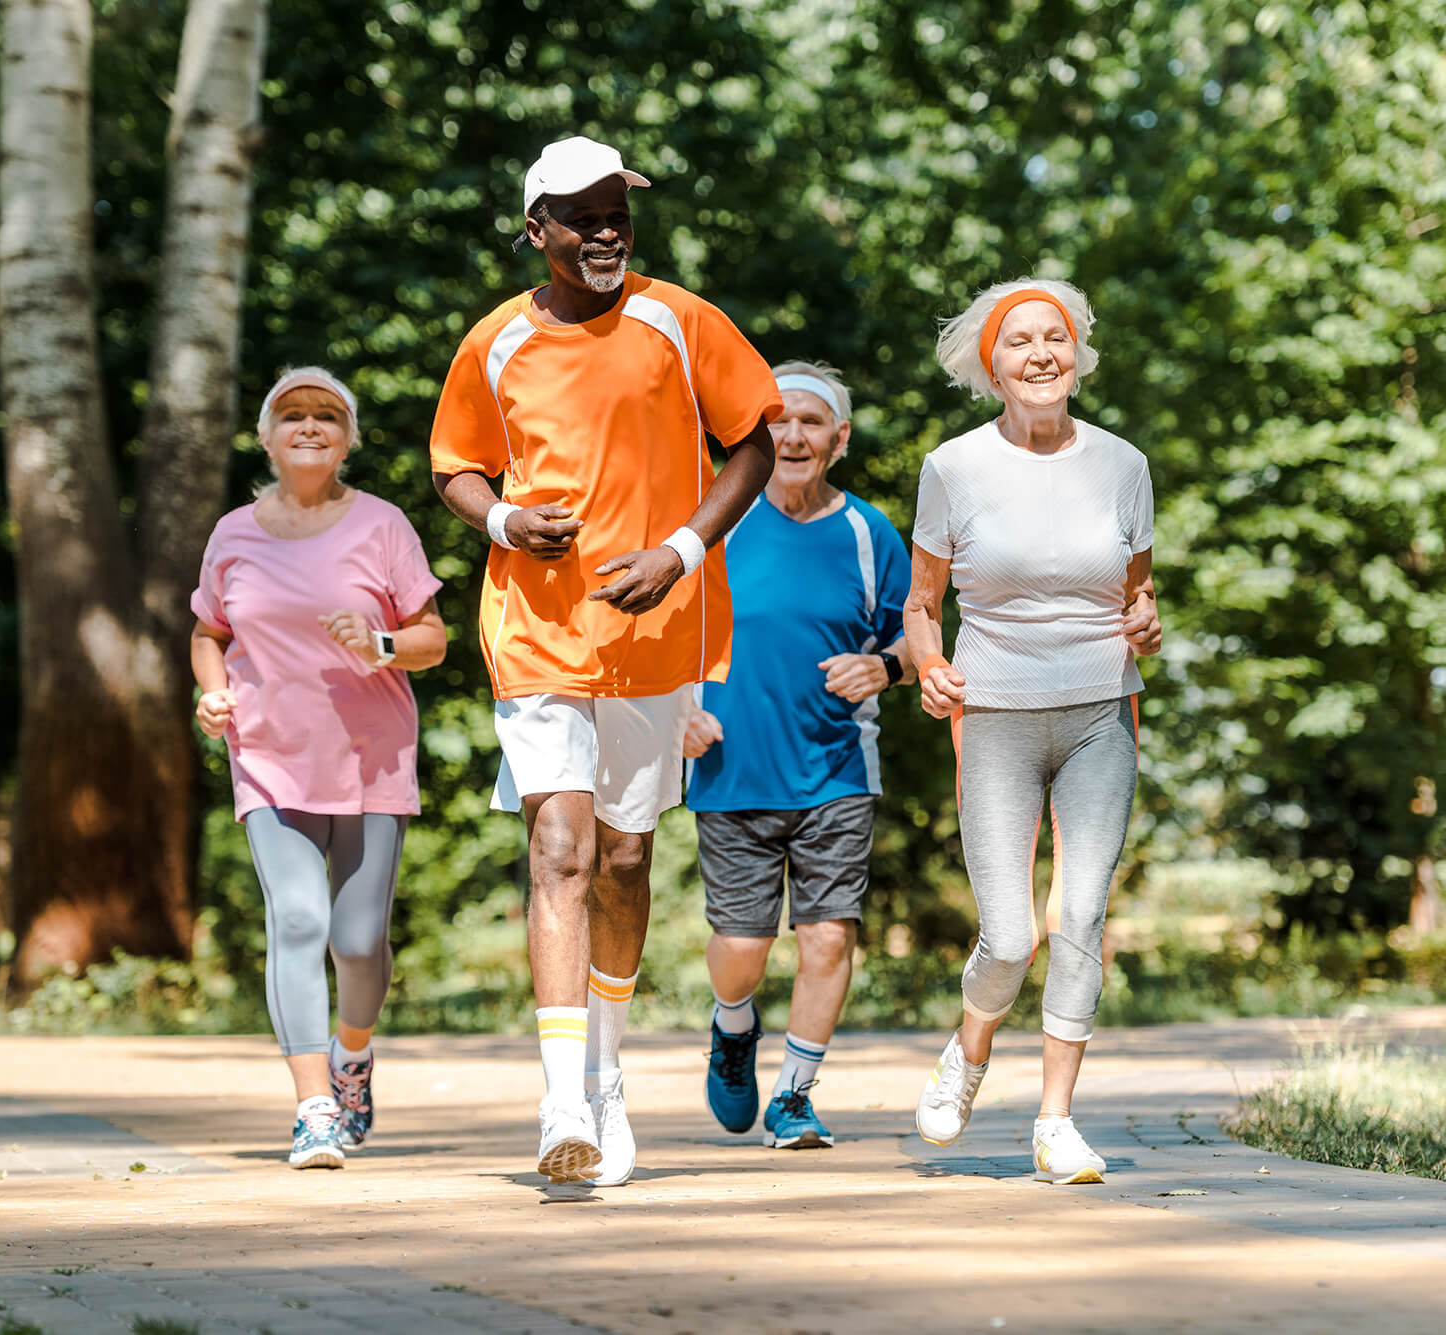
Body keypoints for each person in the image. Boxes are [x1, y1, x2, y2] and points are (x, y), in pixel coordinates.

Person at [429, 136, 780, 1185]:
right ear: (535, 230)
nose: (604, 230)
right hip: (535, 631)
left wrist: (680, 550)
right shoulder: (492, 343)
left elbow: (753, 441)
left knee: (626, 857)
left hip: (656, 631)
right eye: (578, 215)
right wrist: (497, 519)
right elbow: (455, 464)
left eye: (616, 211)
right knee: (561, 851)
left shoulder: (680, 321)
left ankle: (611, 1074)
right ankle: (560, 1102)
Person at [903, 280, 1163, 1185]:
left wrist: (1145, 620)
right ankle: (969, 1053)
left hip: (1101, 710)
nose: (1041, 353)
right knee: (1010, 936)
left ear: (1078, 354)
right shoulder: (954, 467)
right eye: (1020, 341)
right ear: (993, 363)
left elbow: (1137, 589)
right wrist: (930, 666)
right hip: (999, 712)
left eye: (1057, 337)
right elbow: (922, 604)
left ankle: (1055, 1123)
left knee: (1082, 916)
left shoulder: (1124, 464)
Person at [190, 366, 448, 1169]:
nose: (310, 426)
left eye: (327, 416)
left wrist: (378, 645)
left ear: (349, 438)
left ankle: (352, 1056)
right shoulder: (233, 532)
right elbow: (208, 632)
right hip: (270, 758)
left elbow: (432, 640)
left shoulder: (382, 525)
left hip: (371, 759)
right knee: (299, 922)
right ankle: (312, 1109)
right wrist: (213, 694)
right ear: (266, 439)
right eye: (292, 415)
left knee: (360, 938)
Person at [682, 361, 912, 1150]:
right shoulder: (720, 521)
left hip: (837, 768)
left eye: (812, 422)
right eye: (777, 420)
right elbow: (662, 622)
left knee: (828, 937)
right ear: (756, 434)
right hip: (730, 767)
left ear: (839, 439)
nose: (793, 435)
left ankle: (795, 1095)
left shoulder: (867, 532)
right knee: (742, 950)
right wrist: (678, 707)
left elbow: (914, 635)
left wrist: (884, 665)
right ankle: (734, 1024)